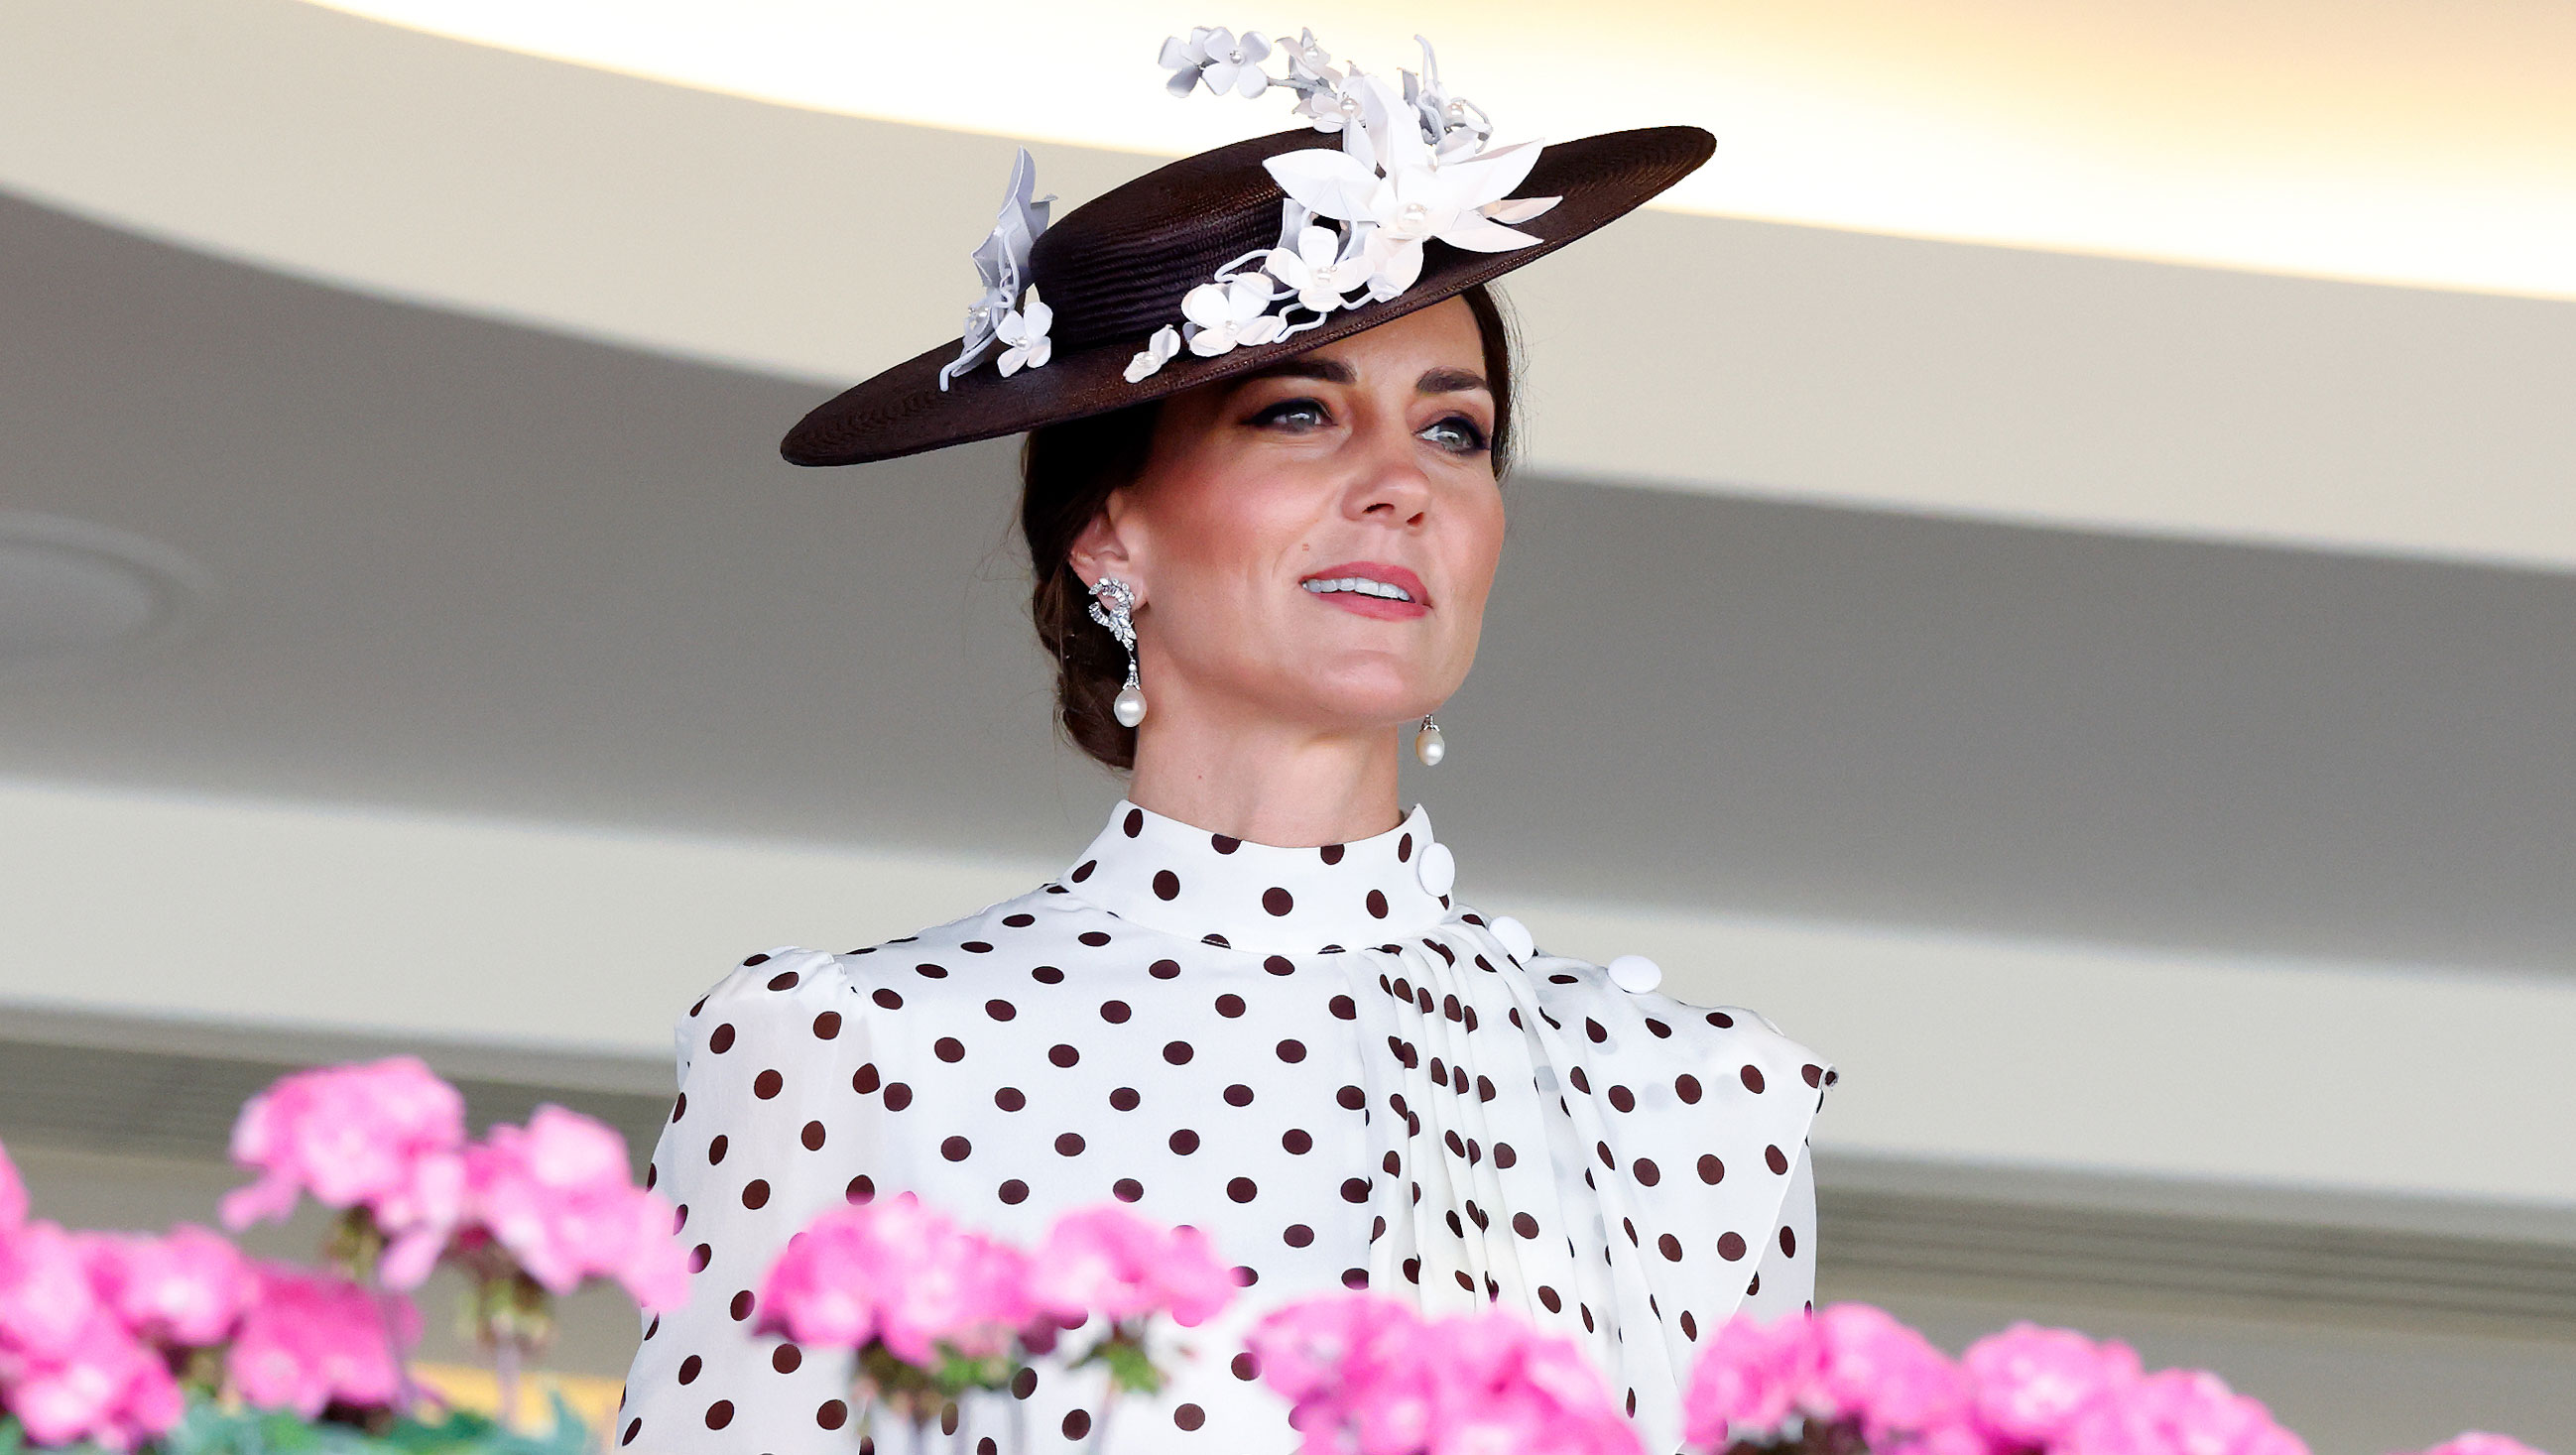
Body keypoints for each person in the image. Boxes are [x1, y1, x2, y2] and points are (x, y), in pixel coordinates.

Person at [620, 27, 1830, 1454]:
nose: (1400, 485)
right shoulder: (854, 1049)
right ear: (1109, 530)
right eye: (1299, 413)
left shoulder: (1704, 1099)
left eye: (1455, 433)